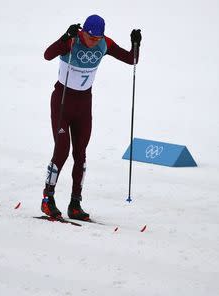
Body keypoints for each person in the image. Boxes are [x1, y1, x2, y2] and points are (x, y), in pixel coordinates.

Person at [41, 15, 142, 220]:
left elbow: (131, 59)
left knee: (81, 154)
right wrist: (63, 38)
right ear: (83, 32)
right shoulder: (72, 40)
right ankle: (47, 199)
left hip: (84, 105)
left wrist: (136, 44)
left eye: (98, 39)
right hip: (62, 100)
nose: (93, 42)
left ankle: (75, 203)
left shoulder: (104, 44)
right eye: (91, 37)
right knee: (62, 151)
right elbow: (47, 55)